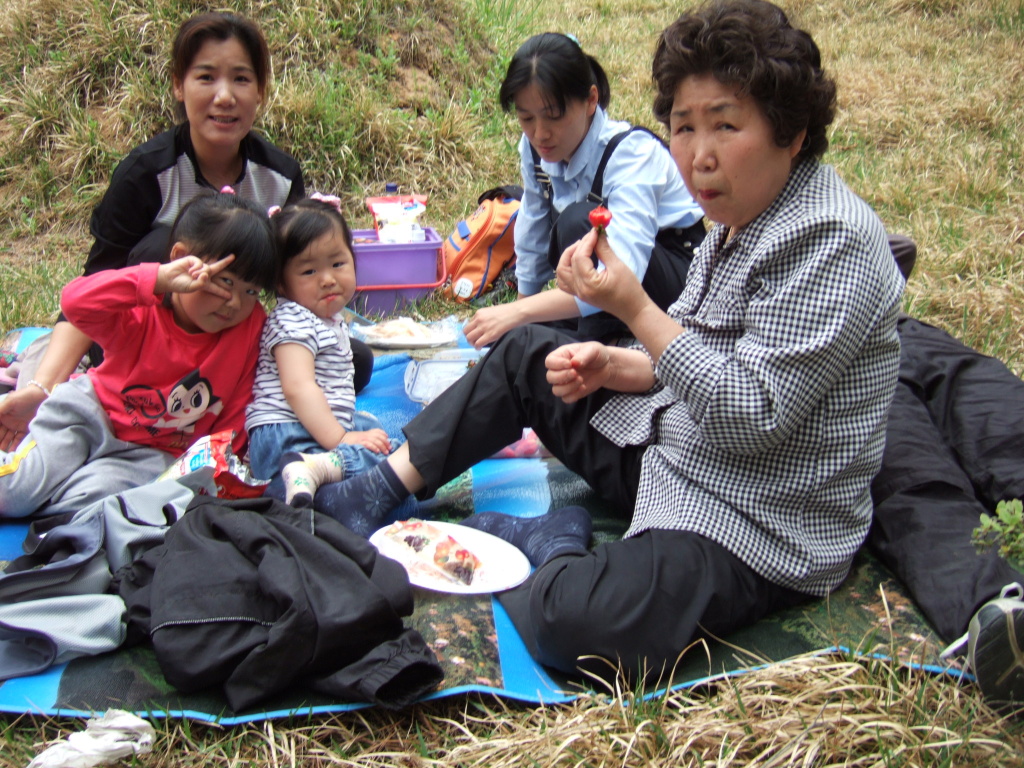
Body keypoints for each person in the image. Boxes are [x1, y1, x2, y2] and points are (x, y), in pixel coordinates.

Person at [301, 0, 905, 681]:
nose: (699, 156)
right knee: (530, 354)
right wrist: (619, 364)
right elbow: (702, 347)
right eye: (683, 126)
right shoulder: (741, 214)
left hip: (756, 519)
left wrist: (634, 308)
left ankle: (547, 539)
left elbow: (752, 416)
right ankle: (382, 486)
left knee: (572, 621)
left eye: (726, 125)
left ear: (791, 132)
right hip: (678, 454)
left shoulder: (830, 239)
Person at [0, 12, 371, 451]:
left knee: (355, 361)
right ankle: (54, 377)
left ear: (261, 91)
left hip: (231, 346)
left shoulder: (280, 176)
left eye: (241, 79)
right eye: (205, 77)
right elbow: (93, 287)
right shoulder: (146, 174)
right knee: (159, 246)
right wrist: (43, 388)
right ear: (179, 85)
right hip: (143, 349)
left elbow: (294, 283)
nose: (224, 96)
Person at [0, 190, 276, 518]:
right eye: (224, 281)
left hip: (152, 452)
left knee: (98, 507)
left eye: (250, 291)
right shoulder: (143, 308)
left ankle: (57, 499)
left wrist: (218, 459)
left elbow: (238, 404)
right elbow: (75, 304)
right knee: (15, 493)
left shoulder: (249, 325)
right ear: (183, 259)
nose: (235, 303)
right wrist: (156, 278)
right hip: (88, 416)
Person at [462, 32, 706, 349]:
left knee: (584, 222)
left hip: (671, 274)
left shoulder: (631, 153)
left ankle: (613, 342)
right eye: (526, 118)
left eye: (553, 115)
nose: (539, 133)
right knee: (574, 234)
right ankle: (599, 333)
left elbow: (622, 275)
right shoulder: (533, 148)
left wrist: (518, 313)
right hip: (603, 280)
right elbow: (532, 224)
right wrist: (519, 314)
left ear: (591, 100)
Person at [869, 314, 1024, 705]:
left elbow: (897, 251)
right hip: (828, 364)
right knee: (915, 481)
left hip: (904, 329)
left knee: (1007, 424)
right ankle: (1001, 620)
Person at [245, 195, 405, 506]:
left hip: (312, 426)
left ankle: (314, 476)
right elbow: (298, 387)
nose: (328, 279)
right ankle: (298, 482)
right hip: (287, 436)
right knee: (394, 462)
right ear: (280, 283)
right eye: (308, 272)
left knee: (376, 433)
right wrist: (340, 439)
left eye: (337, 264)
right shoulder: (292, 318)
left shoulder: (324, 319)